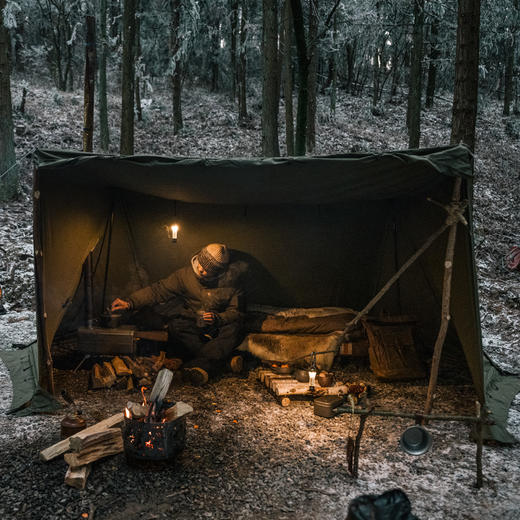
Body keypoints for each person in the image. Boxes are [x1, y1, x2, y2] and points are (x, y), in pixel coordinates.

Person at [111, 243, 246, 385]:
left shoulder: (233, 282)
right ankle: (222, 362)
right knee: (176, 325)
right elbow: (159, 290)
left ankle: (196, 367)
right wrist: (131, 302)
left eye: (207, 269)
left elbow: (237, 312)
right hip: (194, 325)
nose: (200, 269)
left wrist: (218, 318)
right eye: (200, 264)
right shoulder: (184, 276)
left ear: (218, 272)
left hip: (218, 327)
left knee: (235, 328)